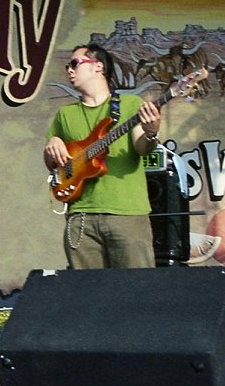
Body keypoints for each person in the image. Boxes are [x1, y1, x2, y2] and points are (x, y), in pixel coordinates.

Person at [43, 43, 161, 269]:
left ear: (98, 66)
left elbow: (142, 148)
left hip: (126, 213)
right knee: (88, 294)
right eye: (68, 65)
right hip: (81, 217)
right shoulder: (65, 114)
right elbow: (52, 164)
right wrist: (52, 144)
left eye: (75, 63)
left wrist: (152, 132)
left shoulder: (130, 104)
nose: (69, 69)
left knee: (135, 290)